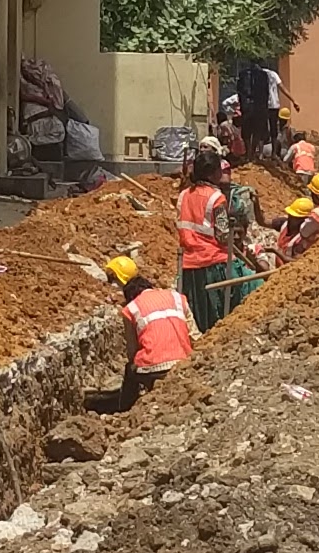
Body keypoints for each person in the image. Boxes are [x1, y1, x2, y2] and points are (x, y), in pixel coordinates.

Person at [175, 141, 252, 331]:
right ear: (212, 173)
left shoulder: (184, 195)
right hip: (213, 262)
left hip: (188, 263)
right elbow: (223, 235)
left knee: (197, 311)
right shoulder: (216, 198)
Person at [104, 252, 195, 402]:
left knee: (130, 370)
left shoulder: (131, 309)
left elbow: (132, 352)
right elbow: (194, 335)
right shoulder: (177, 297)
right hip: (183, 363)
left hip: (152, 369)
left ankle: (126, 408)